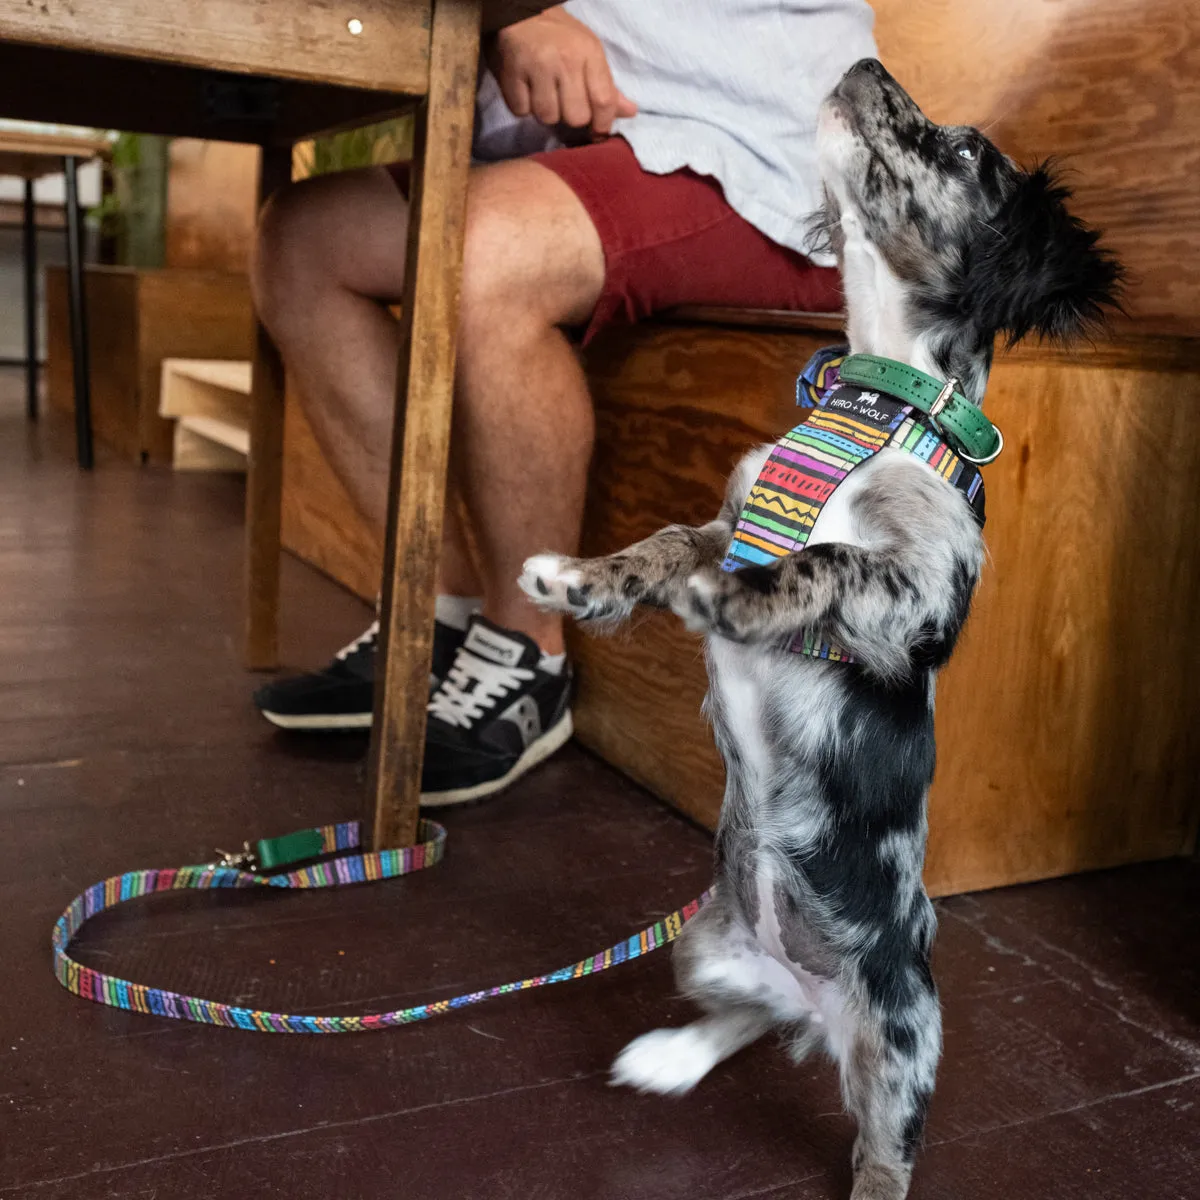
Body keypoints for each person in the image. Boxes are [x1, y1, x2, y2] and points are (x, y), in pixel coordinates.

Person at [250, 1, 878, 806]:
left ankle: (526, 650)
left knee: (481, 246)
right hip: (580, 140)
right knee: (302, 242)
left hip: (754, 139)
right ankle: (436, 614)